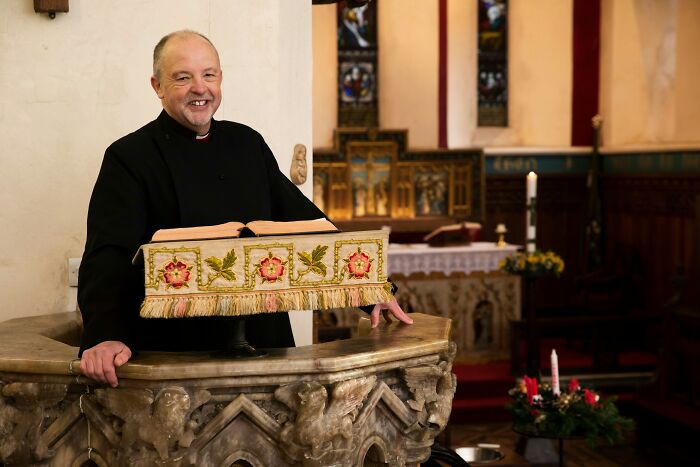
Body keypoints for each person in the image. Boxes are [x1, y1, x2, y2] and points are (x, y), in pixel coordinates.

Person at [78, 30, 412, 388]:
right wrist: (104, 335)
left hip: (264, 343)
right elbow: (107, 255)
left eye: (209, 75)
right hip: (178, 353)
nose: (199, 88)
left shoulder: (247, 143)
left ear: (220, 79)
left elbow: (307, 223)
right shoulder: (129, 157)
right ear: (157, 86)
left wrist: (371, 289)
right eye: (182, 77)